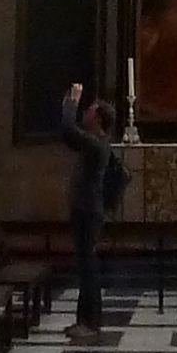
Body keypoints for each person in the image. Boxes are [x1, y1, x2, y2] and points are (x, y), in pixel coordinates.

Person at [61, 81, 118, 338]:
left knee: (88, 267)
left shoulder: (96, 144)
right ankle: (84, 321)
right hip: (86, 209)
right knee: (85, 266)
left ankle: (90, 323)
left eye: (89, 111)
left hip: (88, 210)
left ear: (98, 119)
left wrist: (72, 101)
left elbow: (68, 130)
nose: (85, 113)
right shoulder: (95, 142)